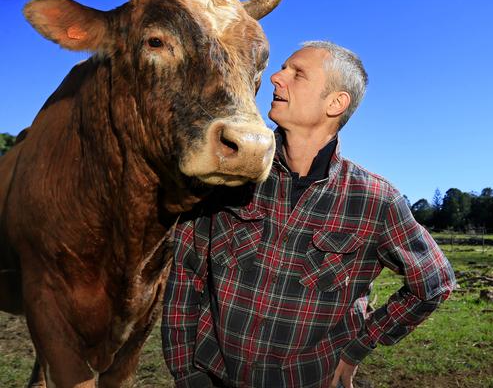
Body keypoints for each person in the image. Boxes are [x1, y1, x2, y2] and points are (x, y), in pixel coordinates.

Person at [162, 41, 456, 388]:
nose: (275, 77)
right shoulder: (230, 177)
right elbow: (185, 273)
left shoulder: (375, 201)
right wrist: (186, 372)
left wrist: (360, 345)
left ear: (335, 103)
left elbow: (434, 283)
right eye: (282, 68)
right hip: (214, 376)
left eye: (297, 73)